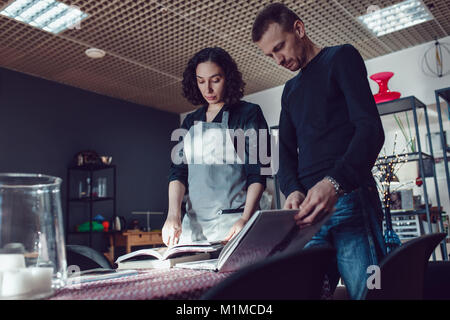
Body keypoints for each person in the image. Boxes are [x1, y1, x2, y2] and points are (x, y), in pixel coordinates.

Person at [252, 3, 387, 300]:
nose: (278, 59)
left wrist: (334, 184)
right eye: (269, 55)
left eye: (280, 47)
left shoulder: (341, 58)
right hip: (306, 218)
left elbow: (371, 130)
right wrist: (292, 191)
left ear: (299, 29)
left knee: (369, 294)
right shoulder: (289, 91)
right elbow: (284, 154)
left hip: (352, 199)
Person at [163, 47, 269, 247]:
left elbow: (258, 173)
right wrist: (173, 216)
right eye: (201, 81)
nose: (208, 90)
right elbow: (177, 173)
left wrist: (245, 219)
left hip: (233, 226)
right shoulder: (189, 122)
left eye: (215, 80)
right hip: (193, 231)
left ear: (228, 78)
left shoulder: (249, 114)